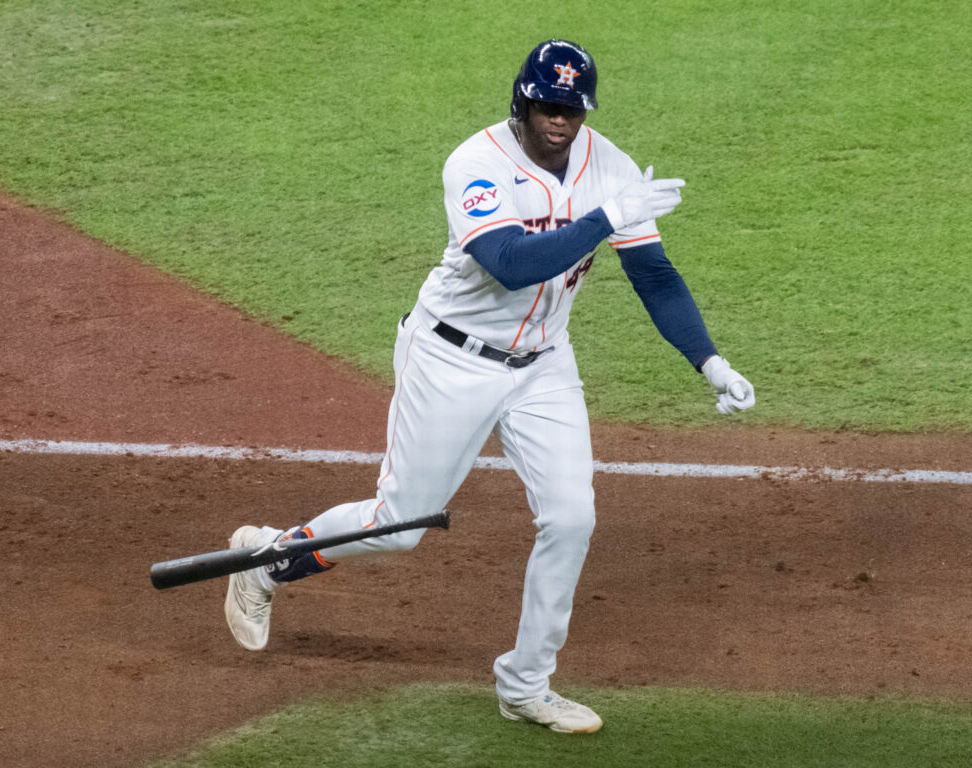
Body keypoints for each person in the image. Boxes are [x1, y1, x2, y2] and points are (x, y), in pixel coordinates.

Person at [224, 39, 755, 734]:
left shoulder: (610, 170)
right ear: (522, 101)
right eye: (548, 106)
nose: (560, 120)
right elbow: (509, 264)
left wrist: (708, 360)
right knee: (397, 527)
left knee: (572, 517)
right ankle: (269, 561)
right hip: (452, 360)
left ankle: (526, 684)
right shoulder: (477, 164)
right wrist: (603, 219)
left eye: (572, 108)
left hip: (542, 366)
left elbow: (654, 275)